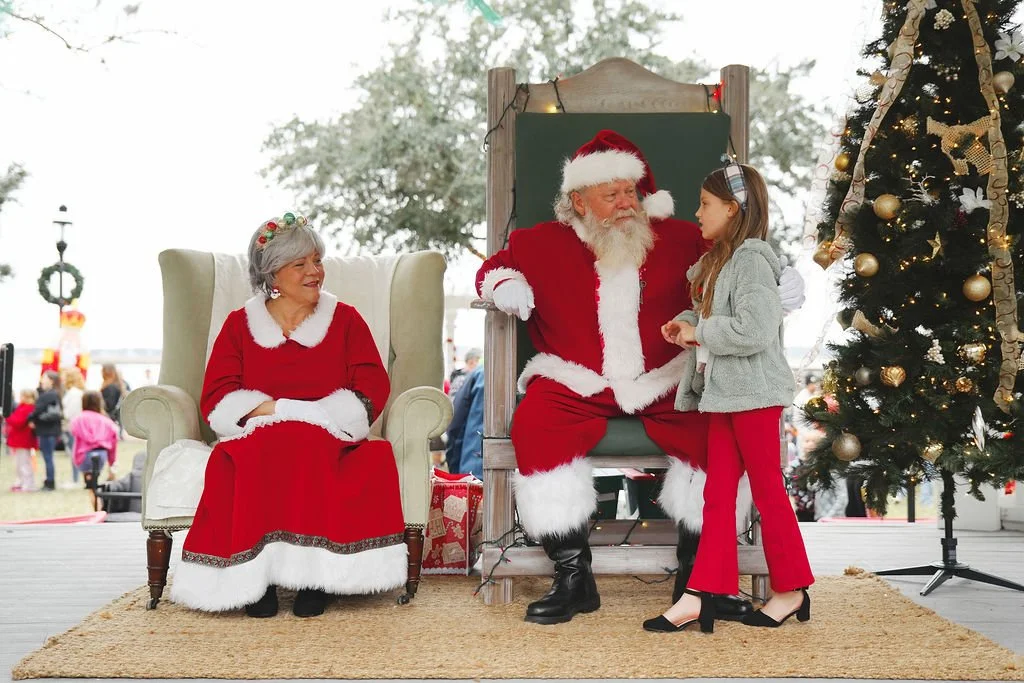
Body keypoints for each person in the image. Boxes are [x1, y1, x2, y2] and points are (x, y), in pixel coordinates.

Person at [475, 130, 806, 625]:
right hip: (576, 382)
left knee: (712, 435)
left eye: (631, 191)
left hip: (665, 379)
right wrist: (505, 283)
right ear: (578, 201)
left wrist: (782, 274)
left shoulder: (679, 236)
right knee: (536, 425)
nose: (627, 203)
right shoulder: (536, 242)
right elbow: (491, 270)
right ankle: (573, 577)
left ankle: (699, 577)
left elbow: (739, 258)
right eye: (611, 195)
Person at [169, 212, 407, 618]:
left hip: (329, 433)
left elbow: (371, 387)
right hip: (258, 433)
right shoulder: (239, 325)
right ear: (273, 275)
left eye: (317, 261)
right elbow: (218, 396)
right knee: (259, 451)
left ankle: (314, 579)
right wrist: (280, 409)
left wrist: (320, 415)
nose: (316, 272)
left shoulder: (345, 319)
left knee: (306, 443)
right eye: (302, 265)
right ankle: (255, 576)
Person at [643, 162, 813, 633]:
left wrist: (701, 332)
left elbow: (755, 330)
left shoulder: (753, 260)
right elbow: (714, 317)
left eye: (705, 204)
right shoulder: (722, 261)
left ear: (733, 208)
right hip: (724, 395)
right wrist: (687, 324)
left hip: (754, 394)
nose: (698, 213)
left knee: (766, 489)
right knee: (717, 493)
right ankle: (703, 592)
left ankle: (792, 588)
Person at [69, 391, 119, 505]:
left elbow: (74, 431)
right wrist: (112, 464)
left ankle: (96, 507)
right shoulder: (106, 421)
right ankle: (100, 504)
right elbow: (113, 442)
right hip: (101, 454)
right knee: (96, 482)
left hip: (84, 455)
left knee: (91, 486)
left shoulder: (78, 419)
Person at [445, 362, 484, 479]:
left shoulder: (480, 373)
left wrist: (455, 472)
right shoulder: (534, 376)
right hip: (528, 477)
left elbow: (455, 426)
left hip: (474, 471)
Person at [29, 370, 62, 491]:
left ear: (51, 381)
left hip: (47, 430)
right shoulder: (53, 394)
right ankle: (49, 480)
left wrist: (31, 418)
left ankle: (50, 482)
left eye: (44, 378)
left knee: (48, 457)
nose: (42, 380)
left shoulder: (49, 395)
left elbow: (37, 409)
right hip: (50, 430)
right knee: (48, 457)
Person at [5, 389, 39, 492]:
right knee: (19, 463)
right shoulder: (23, 407)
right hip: (18, 439)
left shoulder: (28, 408)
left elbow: (18, 422)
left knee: (24, 463)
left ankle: (28, 484)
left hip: (23, 440)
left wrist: (7, 417)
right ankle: (21, 482)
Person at [61, 367, 86, 486]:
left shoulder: (74, 394)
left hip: (73, 427)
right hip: (76, 426)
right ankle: (75, 478)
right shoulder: (77, 392)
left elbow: (69, 413)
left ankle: (75, 479)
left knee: (74, 453)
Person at [100, 364, 127, 438]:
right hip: (111, 414)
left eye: (102, 371)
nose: (101, 373)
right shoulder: (116, 384)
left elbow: (109, 405)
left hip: (108, 414)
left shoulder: (111, 387)